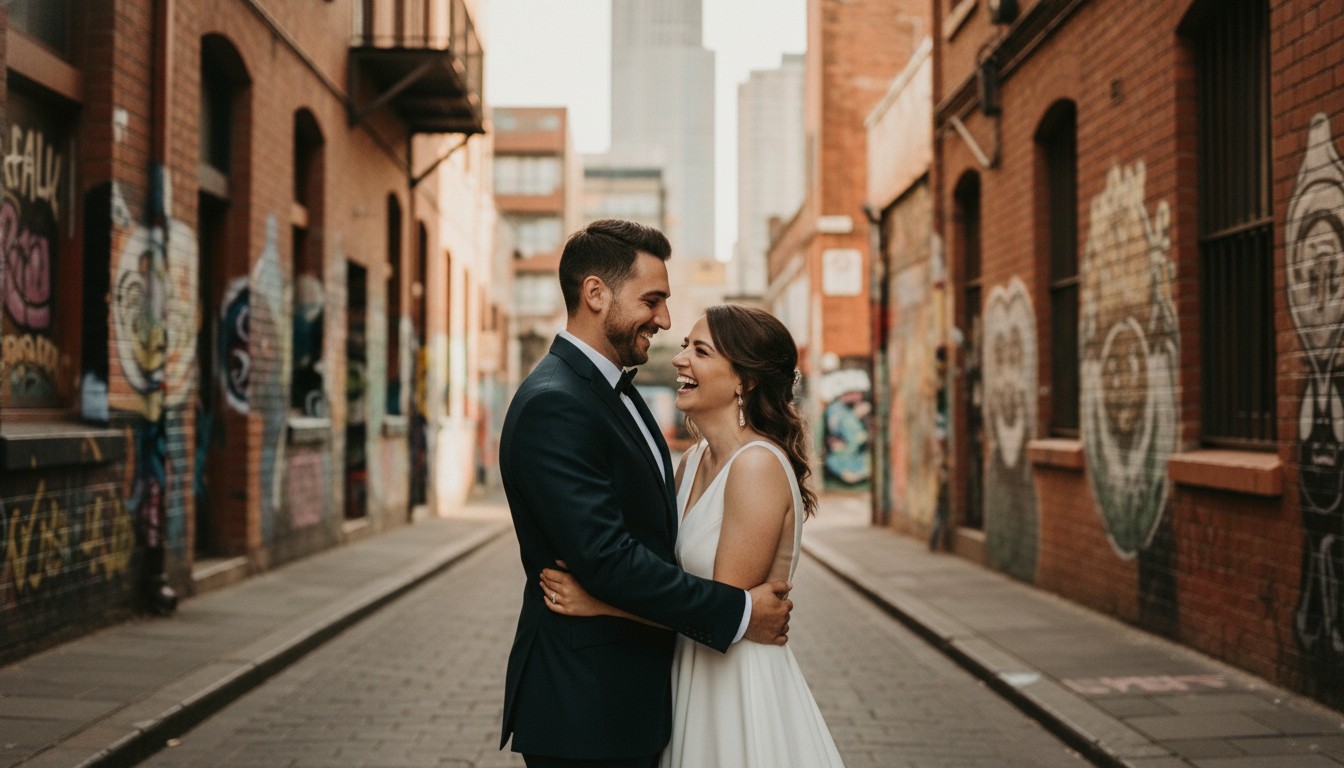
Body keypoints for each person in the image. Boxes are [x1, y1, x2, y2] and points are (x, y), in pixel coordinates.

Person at [497, 220, 794, 768]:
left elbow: (647, 546)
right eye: (652, 300)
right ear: (595, 293)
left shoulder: (614, 394)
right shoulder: (556, 402)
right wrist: (737, 611)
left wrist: (601, 597)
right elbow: (607, 556)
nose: (664, 320)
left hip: (639, 699)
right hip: (589, 706)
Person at [541, 304, 847, 767]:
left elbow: (716, 611)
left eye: (700, 351)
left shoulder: (756, 466)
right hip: (689, 679)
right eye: (686, 346)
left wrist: (599, 603)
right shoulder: (692, 462)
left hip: (736, 688)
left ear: (744, 380)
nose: (681, 359)